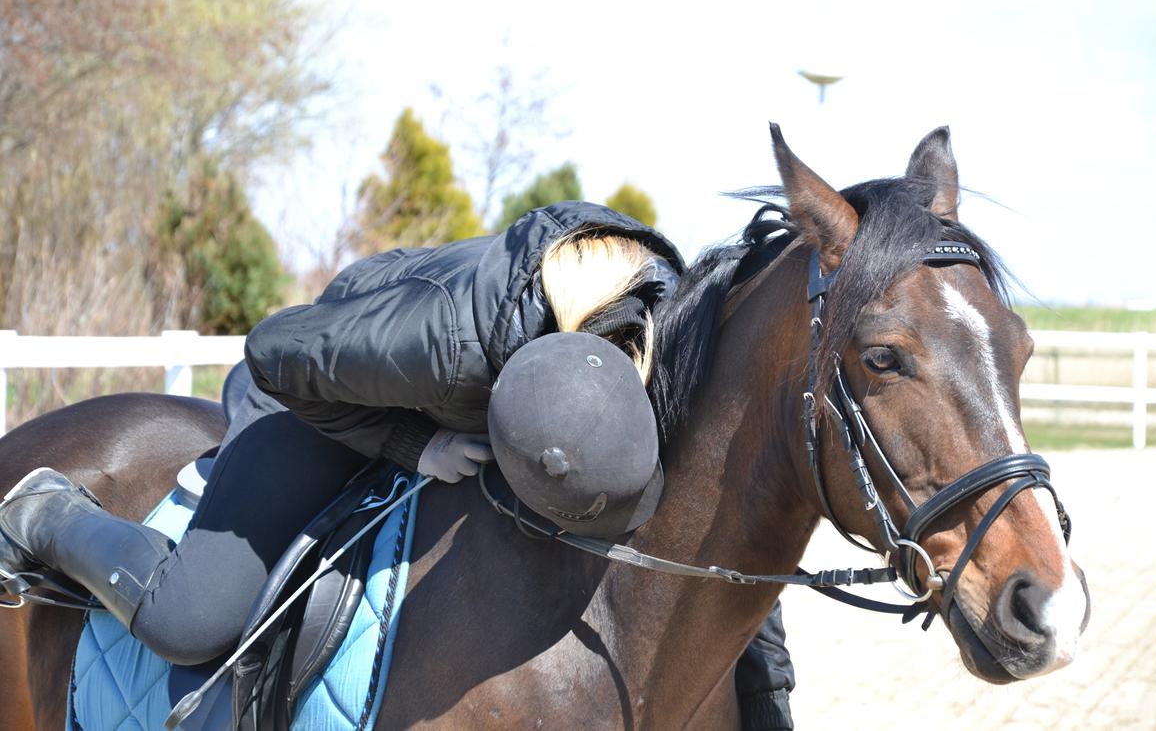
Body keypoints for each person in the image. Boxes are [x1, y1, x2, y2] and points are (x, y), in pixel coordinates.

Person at [0, 201, 794, 729]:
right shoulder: (450, 344)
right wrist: (416, 446)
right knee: (188, 618)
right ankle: (43, 512)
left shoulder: (649, 329)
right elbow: (274, 351)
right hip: (320, 391)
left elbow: (715, 531)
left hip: (460, 393)